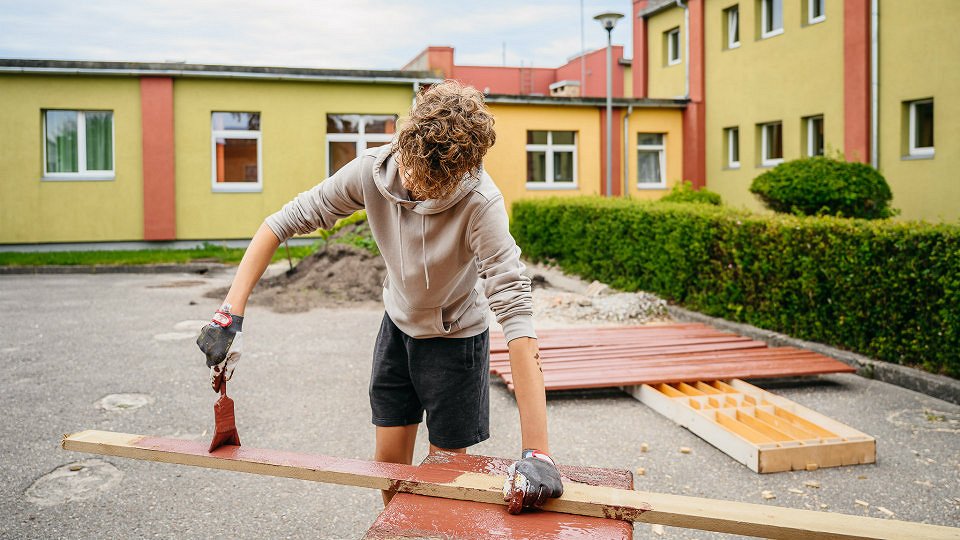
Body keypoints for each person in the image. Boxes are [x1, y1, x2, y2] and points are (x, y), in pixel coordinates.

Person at [196, 80, 562, 512]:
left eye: (430, 188)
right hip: (397, 330)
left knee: (446, 474)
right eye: (411, 174)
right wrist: (229, 313)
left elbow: (516, 312)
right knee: (388, 465)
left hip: (456, 339)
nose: (414, 191)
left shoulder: (481, 202)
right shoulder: (372, 170)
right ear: (405, 141)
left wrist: (537, 450)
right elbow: (280, 223)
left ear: (462, 171)